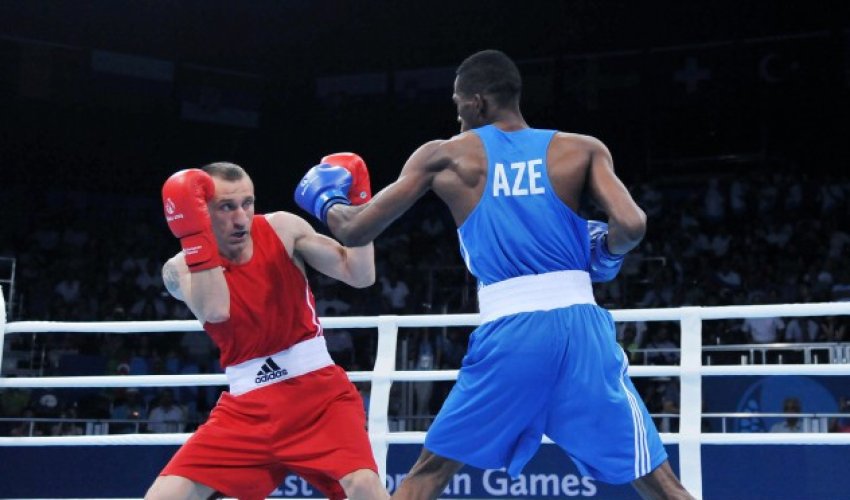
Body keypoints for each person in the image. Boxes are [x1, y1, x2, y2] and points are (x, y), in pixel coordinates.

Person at [296, 50, 693, 499]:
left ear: (476, 103)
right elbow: (633, 226)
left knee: (431, 471)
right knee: (657, 480)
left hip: (512, 334)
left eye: (457, 101)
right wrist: (603, 251)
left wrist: (326, 199)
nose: (456, 112)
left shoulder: (445, 157)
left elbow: (354, 228)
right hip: (582, 328)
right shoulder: (582, 148)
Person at [147, 161, 388, 500]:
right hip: (246, 409)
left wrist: (360, 206)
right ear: (200, 210)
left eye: (247, 203)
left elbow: (360, 275)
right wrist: (195, 234)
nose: (241, 217)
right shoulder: (180, 268)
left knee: (363, 485)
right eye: (226, 207)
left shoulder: (282, 229)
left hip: (319, 396)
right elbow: (216, 309)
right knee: (165, 496)